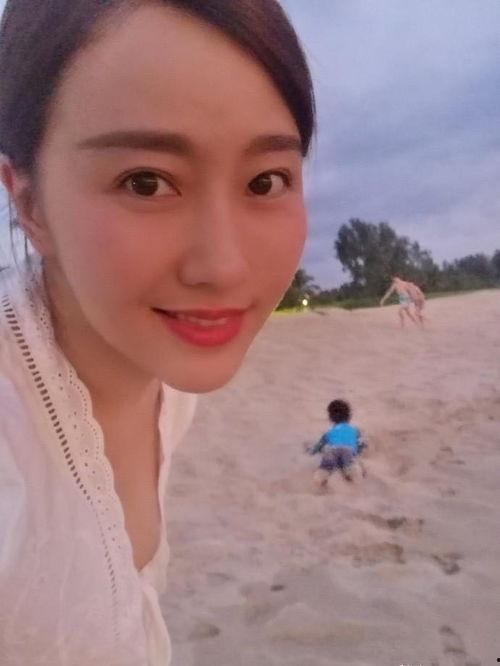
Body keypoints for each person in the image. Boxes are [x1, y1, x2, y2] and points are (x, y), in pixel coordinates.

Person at [0, 1, 315, 664]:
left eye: (266, 180)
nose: (223, 266)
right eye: (145, 182)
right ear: (29, 204)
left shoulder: (165, 382)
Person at [307, 400, 367, 489]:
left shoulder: (329, 431)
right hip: (348, 451)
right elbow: (361, 444)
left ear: (330, 417)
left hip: (332, 450)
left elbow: (319, 445)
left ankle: (318, 481)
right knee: (352, 466)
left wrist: (311, 451)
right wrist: (357, 452)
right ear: (349, 416)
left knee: (325, 468)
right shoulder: (355, 430)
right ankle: (355, 482)